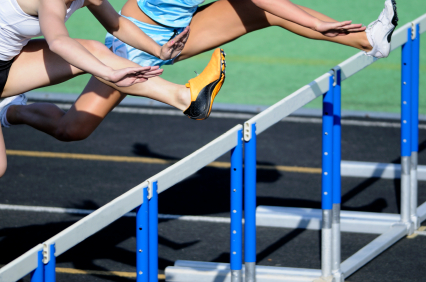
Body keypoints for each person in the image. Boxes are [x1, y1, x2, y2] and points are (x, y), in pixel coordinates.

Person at [1, 0, 397, 143]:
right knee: (74, 129)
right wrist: (316, 25)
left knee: (261, 14)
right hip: (137, 38)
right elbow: (65, 35)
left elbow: (268, 3)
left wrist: (160, 50)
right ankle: (10, 110)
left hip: (174, 34)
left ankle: (370, 39)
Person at [0, 0, 226, 142]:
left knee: (95, 50)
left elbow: (117, 24)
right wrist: (107, 73)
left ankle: (186, 98)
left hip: (10, 61)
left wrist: (159, 50)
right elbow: (58, 41)